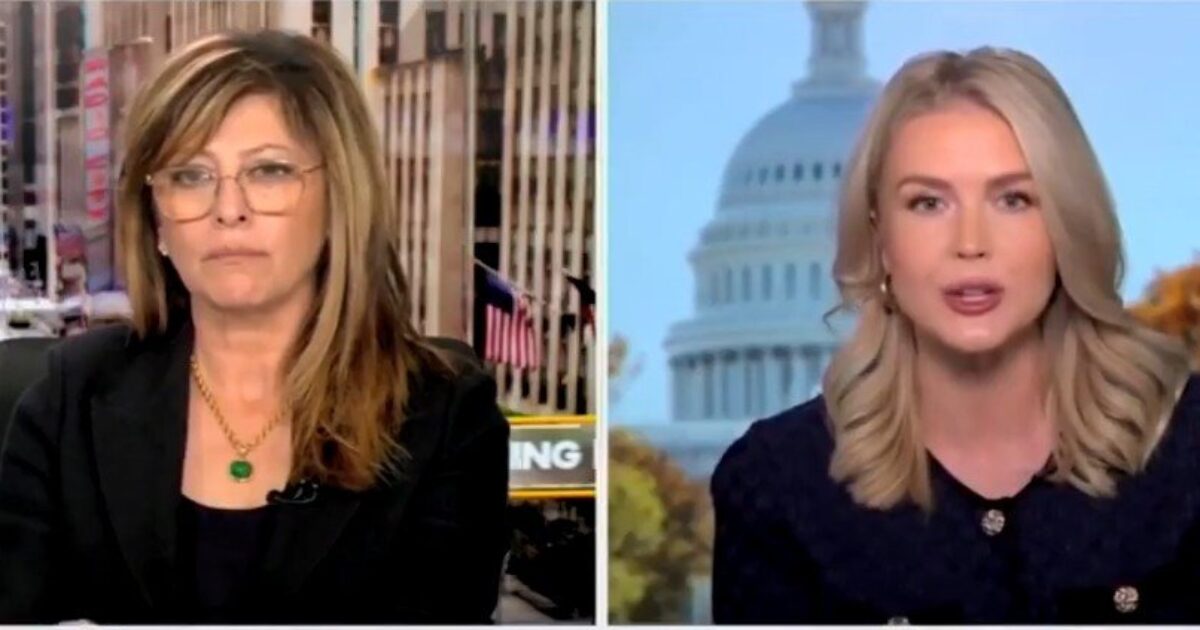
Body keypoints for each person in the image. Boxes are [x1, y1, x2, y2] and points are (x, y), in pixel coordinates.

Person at [0, 30, 510, 624]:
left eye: (268, 171)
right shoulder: (71, 397)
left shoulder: (443, 415)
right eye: (190, 176)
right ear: (158, 221)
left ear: (339, 200)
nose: (229, 208)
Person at [711, 47, 1200, 624]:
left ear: (1065, 226)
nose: (971, 242)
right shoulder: (777, 486)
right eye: (928, 203)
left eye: (1013, 199)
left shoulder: (1186, 453)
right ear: (880, 236)